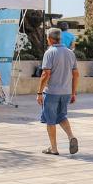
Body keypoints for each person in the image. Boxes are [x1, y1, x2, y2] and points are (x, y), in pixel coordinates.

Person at [38, 27, 79, 155]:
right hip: (66, 92)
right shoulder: (70, 52)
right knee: (62, 116)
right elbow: (76, 74)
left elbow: (46, 74)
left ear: (50, 39)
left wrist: (39, 92)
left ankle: (54, 148)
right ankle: (71, 136)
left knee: (50, 120)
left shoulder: (50, 52)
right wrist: (73, 93)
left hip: (51, 92)